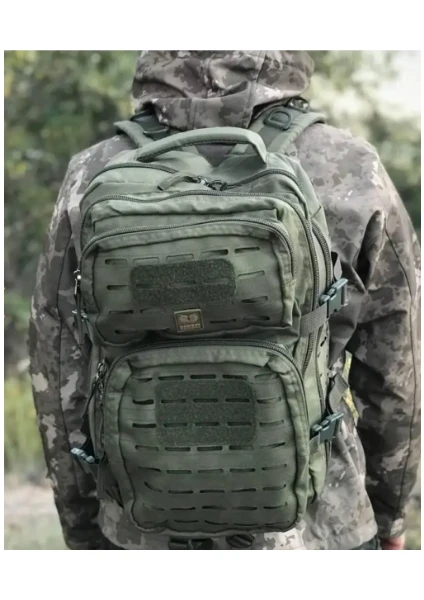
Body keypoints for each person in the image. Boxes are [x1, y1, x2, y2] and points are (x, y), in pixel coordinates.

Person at [28, 51, 420, 550]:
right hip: (321, 525)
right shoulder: (351, 167)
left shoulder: (93, 172)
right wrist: (387, 515)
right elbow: (397, 369)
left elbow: (57, 366)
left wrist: (85, 526)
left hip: (142, 522)